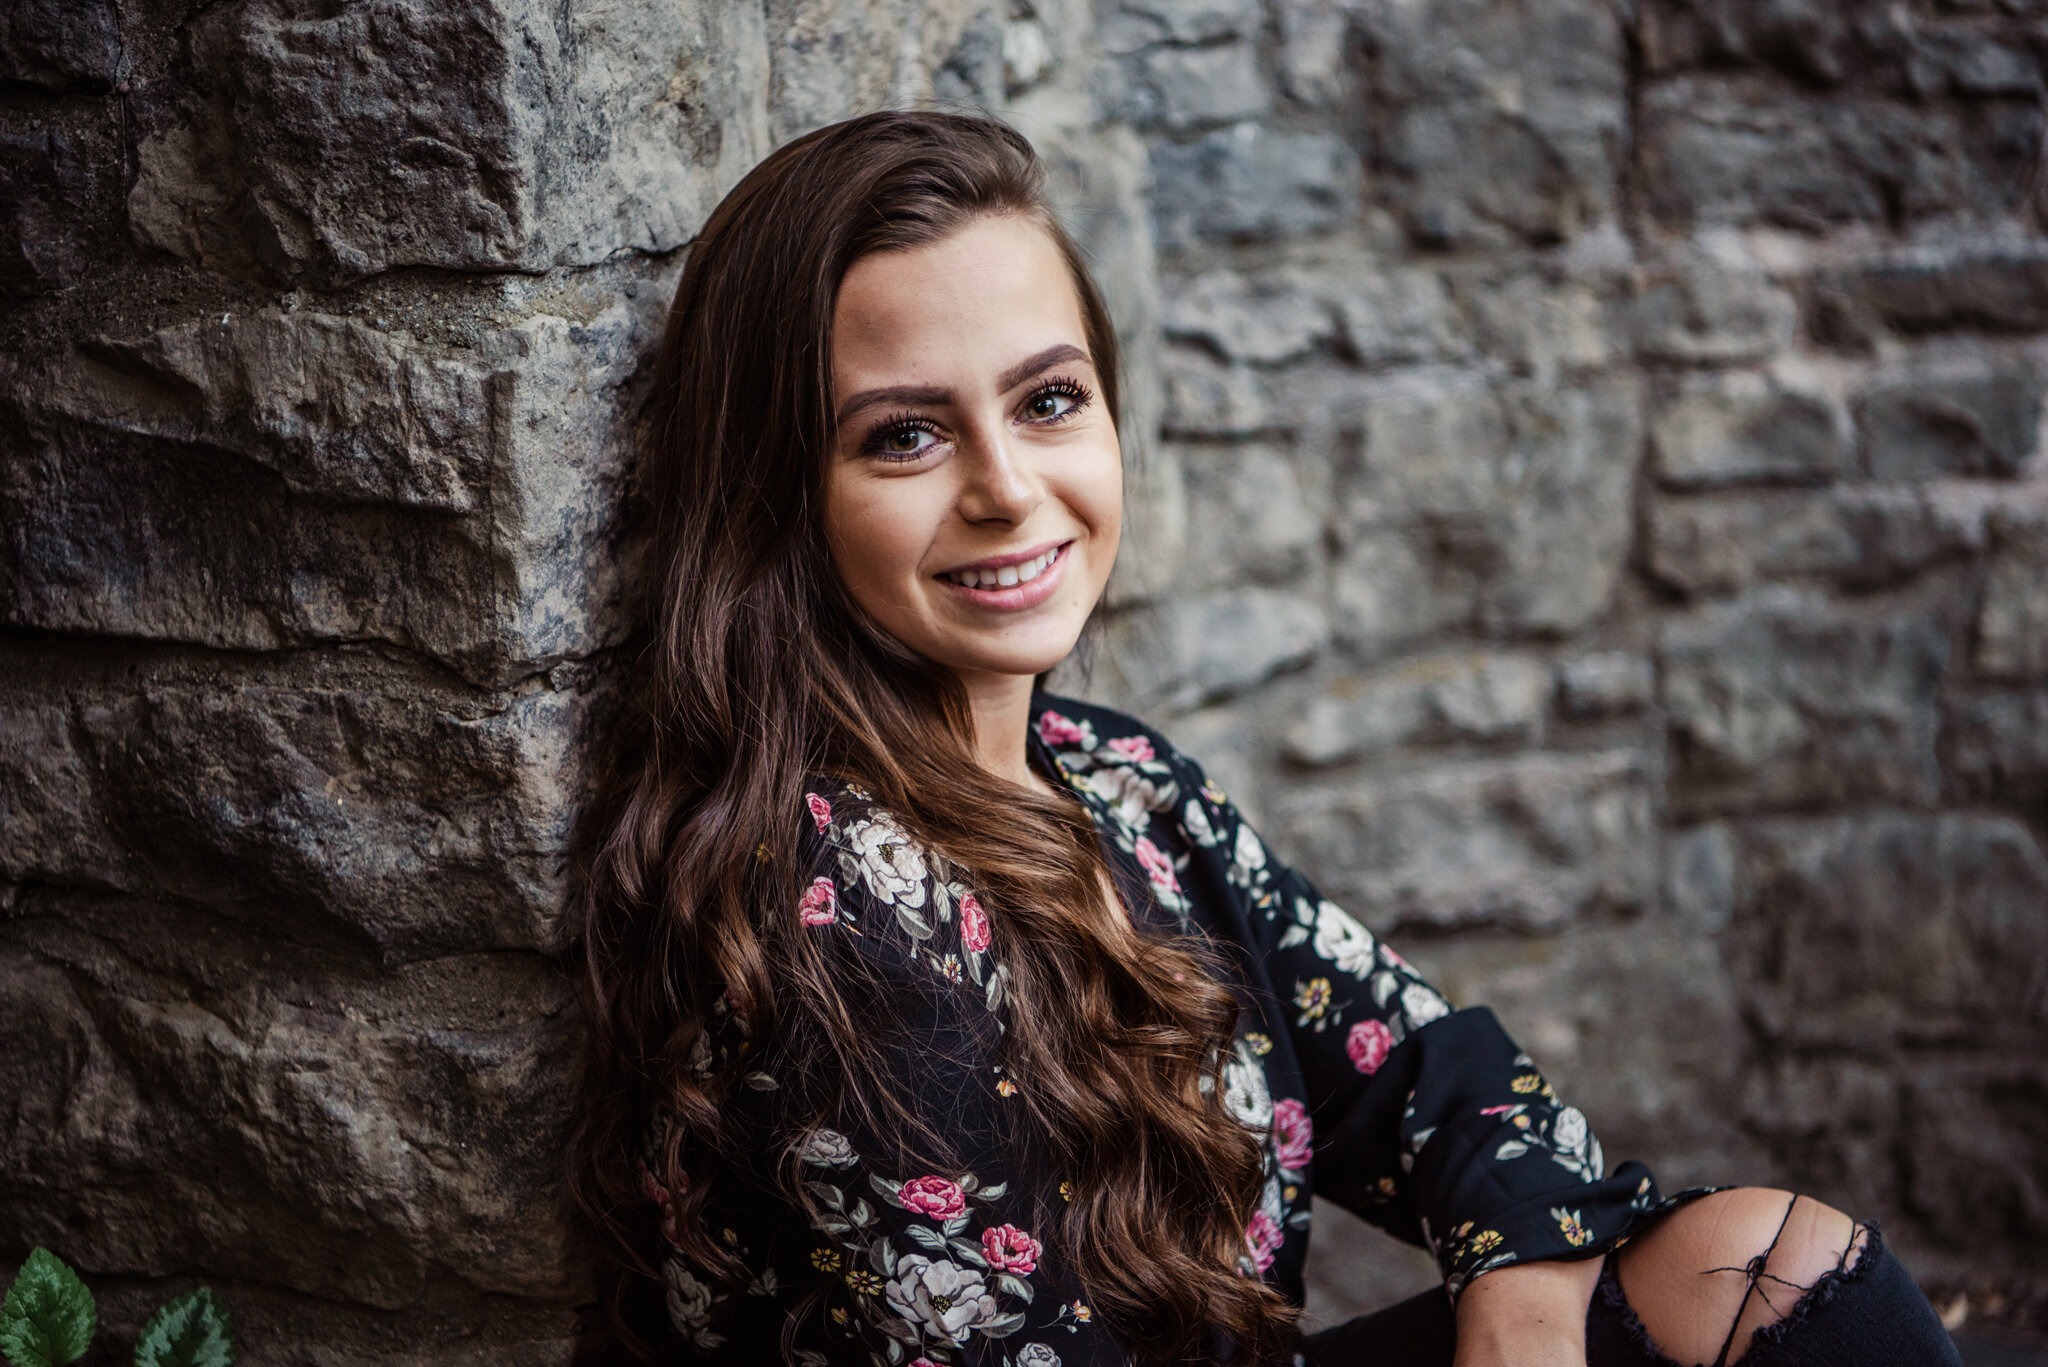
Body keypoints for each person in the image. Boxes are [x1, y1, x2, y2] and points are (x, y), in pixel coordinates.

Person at [565, 110, 1961, 1367]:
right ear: (781, 494)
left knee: (1773, 1271)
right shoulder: (845, 913)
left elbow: (1429, 1068)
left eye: (1048, 400)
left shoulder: (1114, 779)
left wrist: (1522, 1279)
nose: (1007, 489)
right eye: (904, 438)